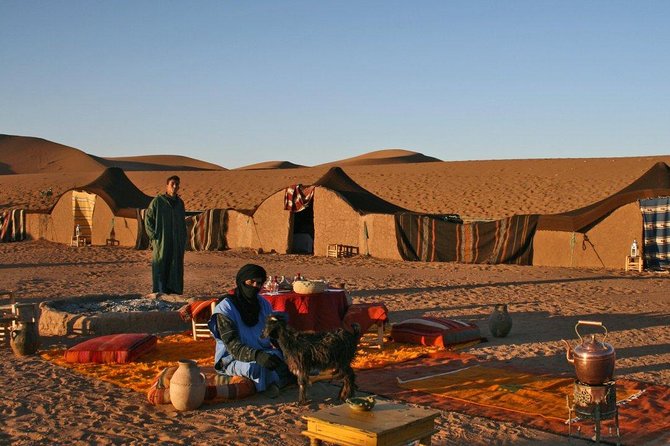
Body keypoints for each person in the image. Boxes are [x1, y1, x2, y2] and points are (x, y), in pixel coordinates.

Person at [207, 264, 291, 395]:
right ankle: (273, 385)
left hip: (263, 352)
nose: (255, 286)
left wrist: (288, 353)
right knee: (256, 368)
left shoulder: (263, 304)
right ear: (242, 281)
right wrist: (257, 356)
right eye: (251, 282)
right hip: (232, 358)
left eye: (259, 283)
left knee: (283, 359)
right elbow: (232, 346)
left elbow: (274, 334)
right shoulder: (225, 309)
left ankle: (277, 383)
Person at [144, 175, 187, 294]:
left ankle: (174, 291)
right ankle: (160, 291)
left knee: (175, 265)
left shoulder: (180, 203)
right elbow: (148, 219)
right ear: (167, 186)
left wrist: (183, 237)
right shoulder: (158, 202)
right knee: (161, 264)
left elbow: (182, 222)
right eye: (172, 184)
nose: (175, 186)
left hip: (176, 241)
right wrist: (154, 236)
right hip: (161, 240)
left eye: (177, 184)